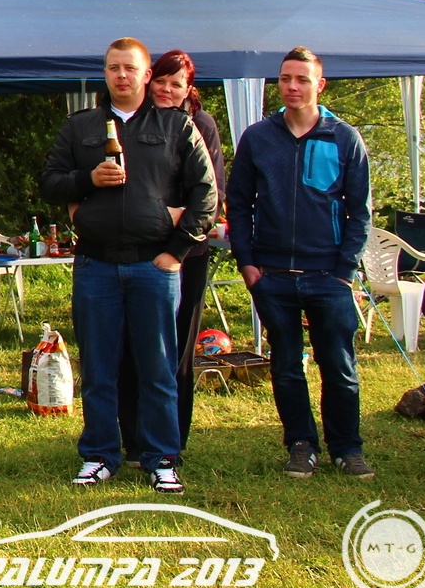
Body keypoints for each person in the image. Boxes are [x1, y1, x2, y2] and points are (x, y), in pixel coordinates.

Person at [41, 37, 216, 494]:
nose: (121, 75)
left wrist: (176, 251)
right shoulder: (80, 127)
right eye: (113, 68)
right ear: (105, 73)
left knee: (158, 368)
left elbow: (207, 194)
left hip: (152, 266)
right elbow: (50, 183)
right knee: (99, 369)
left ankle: (161, 459)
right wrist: (88, 178)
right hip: (96, 264)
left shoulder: (176, 126)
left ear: (146, 75)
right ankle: (99, 455)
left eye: (130, 68)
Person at [228, 46, 374, 478]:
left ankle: (346, 448)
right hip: (272, 274)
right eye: (285, 78)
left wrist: (345, 271)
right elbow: (239, 204)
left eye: (302, 79)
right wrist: (247, 262)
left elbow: (360, 212)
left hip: (328, 274)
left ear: (319, 85)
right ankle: (301, 444)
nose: (292, 87)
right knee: (286, 367)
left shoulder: (343, 137)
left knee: (339, 367)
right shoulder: (258, 137)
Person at [117, 49, 226, 463]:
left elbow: (211, 195)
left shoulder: (201, 125)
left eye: (175, 83)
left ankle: (171, 440)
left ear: (188, 89)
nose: (165, 89)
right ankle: (133, 440)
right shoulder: (132, 121)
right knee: (131, 348)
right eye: (160, 81)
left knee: (175, 350)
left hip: (186, 254)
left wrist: (174, 239)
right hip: (135, 252)